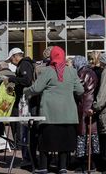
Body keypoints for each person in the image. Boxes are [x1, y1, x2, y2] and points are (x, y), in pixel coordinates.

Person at [23, 46, 84, 174]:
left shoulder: (47, 71)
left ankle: (44, 167)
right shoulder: (72, 71)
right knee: (64, 143)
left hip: (49, 114)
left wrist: (25, 91)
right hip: (68, 114)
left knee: (45, 142)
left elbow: (37, 88)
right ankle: (62, 168)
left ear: (52, 57)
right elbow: (80, 90)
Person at [6, 47, 35, 168]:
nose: (11, 62)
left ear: (15, 57)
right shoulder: (26, 64)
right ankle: (27, 157)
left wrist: (12, 79)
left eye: (11, 60)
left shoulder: (24, 65)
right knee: (23, 130)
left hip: (25, 102)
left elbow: (26, 81)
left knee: (23, 130)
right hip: (25, 101)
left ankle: (27, 158)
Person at [72, 55, 100, 172]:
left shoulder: (82, 73)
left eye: (74, 64)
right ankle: (92, 161)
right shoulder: (92, 72)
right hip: (90, 105)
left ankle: (84, 163)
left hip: (84, 106)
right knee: (91, 136)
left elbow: (79, 90)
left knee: (82, 135)